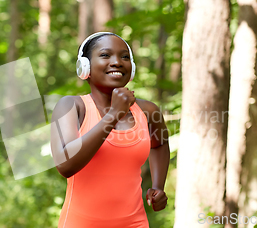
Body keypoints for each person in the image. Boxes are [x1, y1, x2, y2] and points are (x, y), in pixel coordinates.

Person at [50, 32, 171, 228]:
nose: (117, 62)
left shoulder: (148, 111)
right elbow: (66, 166)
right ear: (85, 67)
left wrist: (158, 186)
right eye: (105, 55)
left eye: (124, 57)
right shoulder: (71, 106)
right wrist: (113, 115)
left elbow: (160, 144)